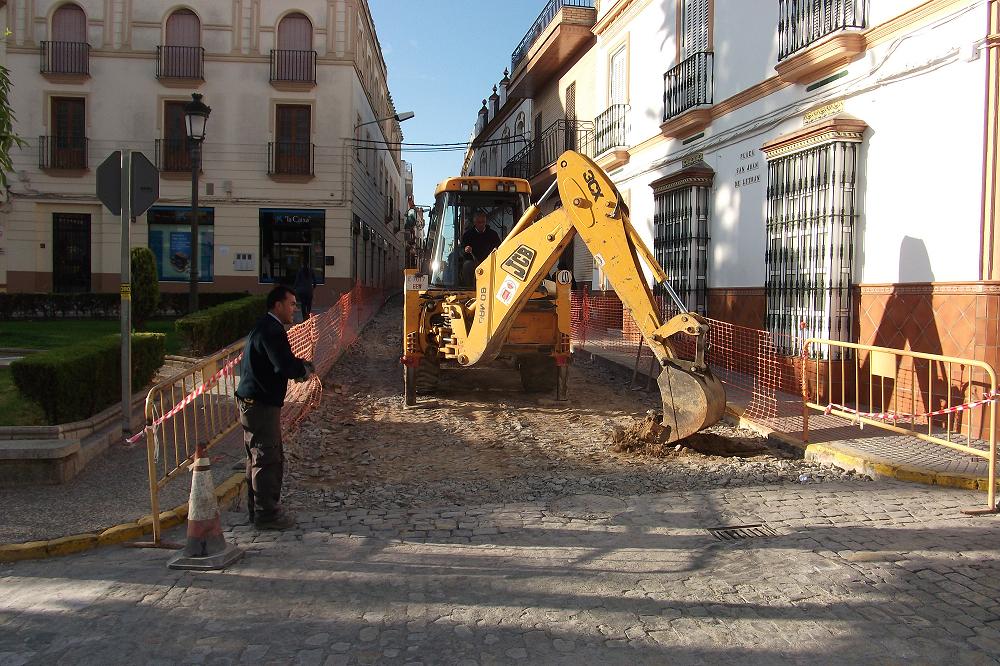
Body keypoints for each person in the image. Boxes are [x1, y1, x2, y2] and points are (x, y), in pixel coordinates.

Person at [235, 285, 314, 530]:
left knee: (257, 456)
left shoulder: (266, 327)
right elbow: (283, 365)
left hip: (254, 401)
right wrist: (302, 371)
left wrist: (298, 365)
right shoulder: (271, 330)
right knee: (267, 456)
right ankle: (266, 515)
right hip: (260, 404)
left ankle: (256, 510)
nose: (295, 308)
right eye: (291, 304)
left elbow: (279, 361)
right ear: (277, 305)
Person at [460, 210, 502, 285]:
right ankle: (468, 287)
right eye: (479, 222)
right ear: (474, 223)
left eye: (483, 222)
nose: (481, 224)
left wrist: (496, 250)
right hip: (472, 261)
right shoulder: (468, 235)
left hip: (489, 261)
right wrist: (465, 249)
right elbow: (461, 249)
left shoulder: (492, 234)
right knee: (467, 265)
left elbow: (500, 247)